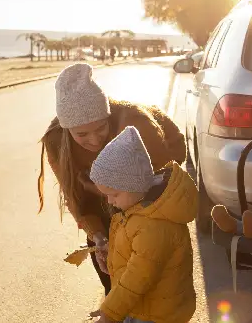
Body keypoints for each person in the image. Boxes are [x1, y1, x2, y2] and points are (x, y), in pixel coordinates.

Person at [37, 63, 186, 298]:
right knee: (115, 287)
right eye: (82, 134)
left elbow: (165, 184)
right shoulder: (56, 140)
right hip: (100, 202)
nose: (94, 140)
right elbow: (78, 200)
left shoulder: (136, 124)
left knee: (156, 286)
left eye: (100, 128)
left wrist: (143, 231)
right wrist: (99, 236)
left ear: (108, 116)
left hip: (149, 196)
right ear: (67, 130)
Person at [89, 126, 197, 323]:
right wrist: (112, 255)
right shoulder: (139, 208)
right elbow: (134, 252)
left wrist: (109, 313)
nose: (109, 201)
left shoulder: (153, 225)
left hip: (155, 315)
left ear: (133, 185)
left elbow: (137, 278)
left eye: (113, 194)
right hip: (145, 306)